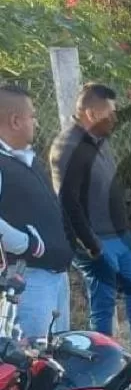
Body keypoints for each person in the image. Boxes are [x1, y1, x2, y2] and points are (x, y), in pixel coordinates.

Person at [50, 83, 131, 357]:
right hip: (96, 241)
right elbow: (68, 203)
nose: (115, 117)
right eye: (110, 112)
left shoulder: (98, 140)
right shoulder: (68, 147)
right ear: (91, 113)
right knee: (103, 305)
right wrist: (91, 245)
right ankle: (102, 363)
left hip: (119, 237)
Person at [0, 84, 74, 340]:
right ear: (15, 121)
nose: (36, 123)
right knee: (32, 357)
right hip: (28, 280)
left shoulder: (24, 160)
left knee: (56, 354)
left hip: (54, 277)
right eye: (32, 116)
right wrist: (27, 244)